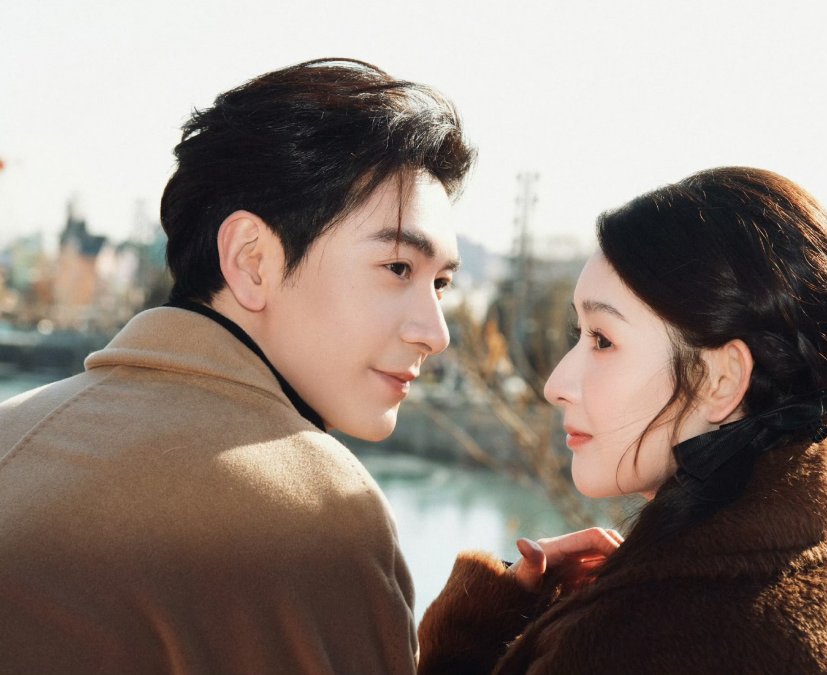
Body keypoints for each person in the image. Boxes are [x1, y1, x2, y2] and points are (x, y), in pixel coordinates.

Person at [0, 58, 474, 673]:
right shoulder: (316, 510)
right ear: (252, 260)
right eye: (398, 268)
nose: (435, 333)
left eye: (441, 284)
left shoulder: (13, 428)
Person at [418, 167, 827, 674]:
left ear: (721, 379)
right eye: (579, 334)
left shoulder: (633, 642)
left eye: (603, 340)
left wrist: (471, 639)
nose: (555, 384)